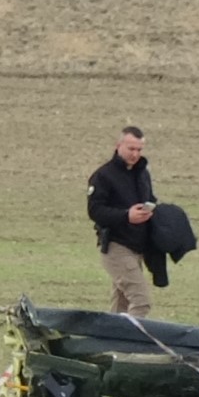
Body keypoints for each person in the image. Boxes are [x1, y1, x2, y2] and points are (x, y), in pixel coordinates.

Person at [87, 125, 158, 316]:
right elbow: (95, 210)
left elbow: (150, 198)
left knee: (121, 307)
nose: (135, 154)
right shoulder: (103, 176)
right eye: (131, 149)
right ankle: (133, 343)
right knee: (141, 302)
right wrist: (126, 215)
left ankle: (114, 344)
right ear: (118, 146)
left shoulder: (142, 173)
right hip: (116, 247)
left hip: (138, 248)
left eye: (139, 149)